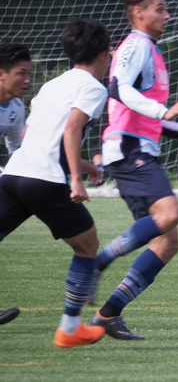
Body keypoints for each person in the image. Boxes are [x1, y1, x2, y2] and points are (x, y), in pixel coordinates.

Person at [89, 0, 178, 340]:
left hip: (140, 149)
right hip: (128, 150)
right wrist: (165, 111)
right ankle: (98, 262)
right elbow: (119, 88)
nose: (167, 15)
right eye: (159, 8)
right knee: (170, 213)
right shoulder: (136, 44)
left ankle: (107, 314)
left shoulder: (152, 50)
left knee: (167, 242)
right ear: (138, 13)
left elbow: (143, 113)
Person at [0, 18, 110, 346]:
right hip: (44, 180)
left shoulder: (52, 85)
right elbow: (72, 129)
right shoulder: (94, 87)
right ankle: (70, 328)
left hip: (13, 175)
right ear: (102, 54)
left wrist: (85, 166)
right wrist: (76, 179)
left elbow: (33, 135)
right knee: (87, 246)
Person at [0, 43, 31, 326]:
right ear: (2, 74)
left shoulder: (16, 108)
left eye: (28, 74)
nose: (27, 80)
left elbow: (16, 151)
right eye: (21, 73)